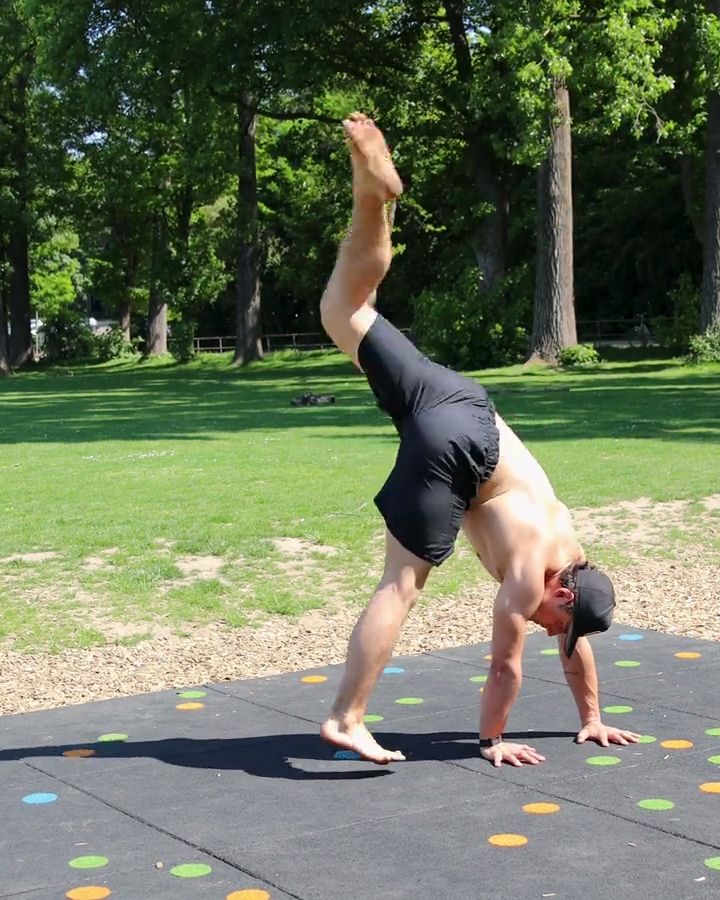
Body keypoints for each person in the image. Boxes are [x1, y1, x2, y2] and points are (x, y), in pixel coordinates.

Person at [319, 112, 639, 767]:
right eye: (557, 620)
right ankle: (347, 718)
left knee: (345, 310)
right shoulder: (531, 573)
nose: (550, 629)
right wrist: (493, 740)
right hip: (463, 448)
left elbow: (574, 641)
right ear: (564, 591)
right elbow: (503, 667)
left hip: (464, 402)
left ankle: (370, 197)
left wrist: (593, 717)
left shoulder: (569, 547)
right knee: (401, 583)